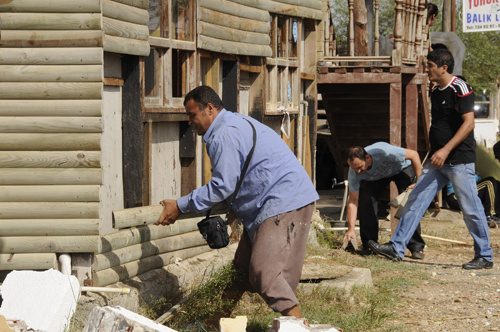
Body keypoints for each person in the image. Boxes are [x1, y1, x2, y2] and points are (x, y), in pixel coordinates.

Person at [156, 85, 319, 324]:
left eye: (192, 115)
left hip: (283, 201)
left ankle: (302, 328)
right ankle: (214, 323)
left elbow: (222, 186)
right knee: (241, 270)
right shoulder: (231, 124)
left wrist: (180, 205)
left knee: (264, 272)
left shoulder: (224, 134)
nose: (190, 122)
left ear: (209, 109)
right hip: (275, 201)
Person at [368, 49, 494, 270]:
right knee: (415, 201)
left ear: (443, 68)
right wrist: (435, 151)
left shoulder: (460, 88)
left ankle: (485, 255)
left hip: (459, 161)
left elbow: (469, 124)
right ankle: (396, 248)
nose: (427, 69)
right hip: (436, 163)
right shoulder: (436, 91)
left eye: (430, 66)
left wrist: (445, 150)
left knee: (471, 208)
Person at [343, 143, 425, 259]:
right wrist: (350, 229)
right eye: (354, 168)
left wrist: (418, 182)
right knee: (366, 200)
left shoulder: (384, 152)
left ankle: (416, 246)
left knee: (408, 202)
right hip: (377, 177)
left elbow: (414, 154)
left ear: (367, 158)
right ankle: (369, 245)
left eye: (360, 167)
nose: (358, 171)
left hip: (400, 169)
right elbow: (353, 201)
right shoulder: (354, 172)